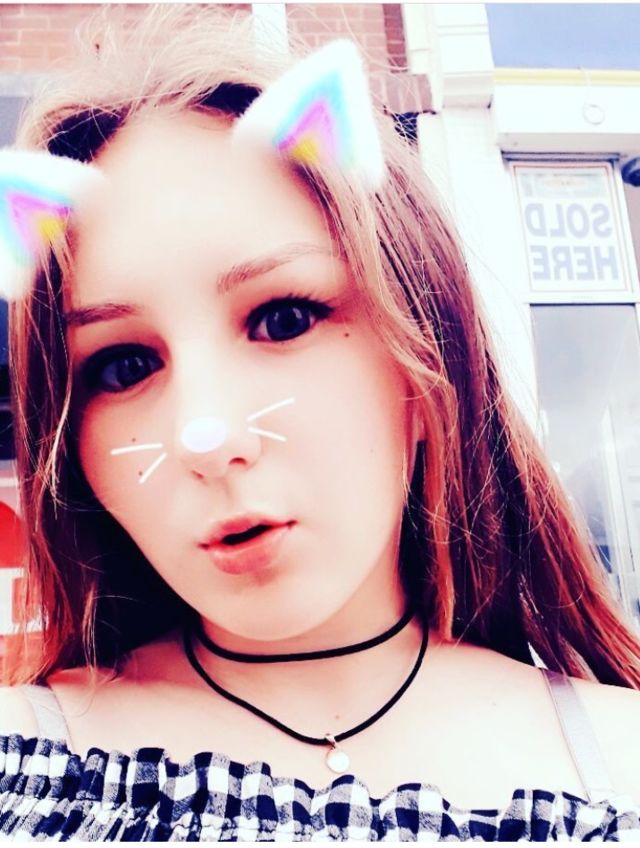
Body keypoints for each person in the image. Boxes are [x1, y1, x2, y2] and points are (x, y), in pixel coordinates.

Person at [1, 6, 640, 842]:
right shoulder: (28, 767)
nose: (207, 436)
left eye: (284, 318)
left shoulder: (619, 759)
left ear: (429, 351)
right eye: (123, 367)